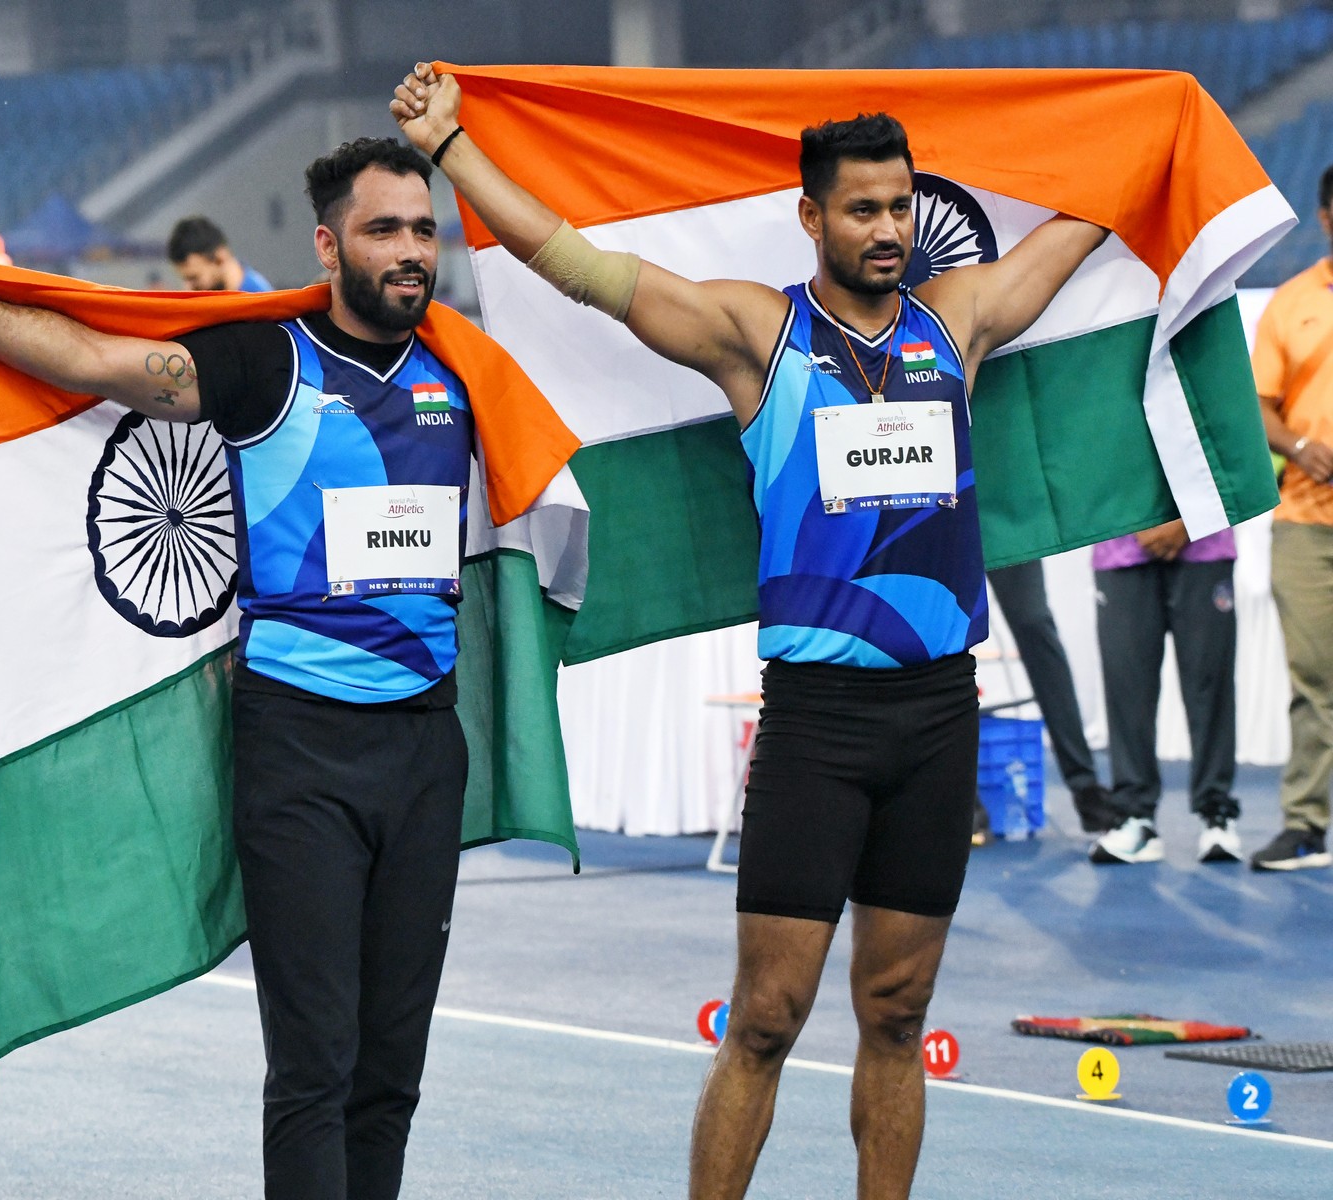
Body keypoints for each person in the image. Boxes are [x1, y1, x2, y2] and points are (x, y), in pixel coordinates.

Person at [392, 67, 1106, 1200]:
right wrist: (453, 152)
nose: (887, 228)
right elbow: (582, 269)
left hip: (936, 713)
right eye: (862, 209)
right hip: (817, 723)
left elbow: (1087, 216)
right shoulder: (756, 333)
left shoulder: (953, 320)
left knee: (898, 1011)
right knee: (766, 1017)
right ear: (811, 215)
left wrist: (1165, 127)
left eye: (900, 205)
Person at [0, 137, 473, 1199]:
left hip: (427, 747)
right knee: (316, 1065)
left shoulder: (470, 371)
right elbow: (97, 361)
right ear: (329, 246)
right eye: (384, 229)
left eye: (424, 228)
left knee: (392, 1073)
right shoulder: (263, 361)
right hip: (303, 752)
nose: (411, 251)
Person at [1248, 164, 1333, 872]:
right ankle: (1306, 823)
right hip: (1307, 525)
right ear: (1327, 219)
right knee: (1315, 677)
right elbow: (1261, 408)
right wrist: (1302, 446)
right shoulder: (1290, 302)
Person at [1086, 520, 1242, 864]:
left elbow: (1226, 465)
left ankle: (1217, 813)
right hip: (1121, 546)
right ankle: (1134, 815)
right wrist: (1138, 523)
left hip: (1205, 541)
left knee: (1210, 684)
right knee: (1127, 689)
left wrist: (1185, 523)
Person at [986, 560, 1114, 832]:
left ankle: (1085, 785)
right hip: (939, 522)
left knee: (1034, 624)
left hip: (1005, 521)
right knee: (944, 633)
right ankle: (959, 796)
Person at [167, 214, 273, 291]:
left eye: (194, 278)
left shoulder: (264, 309)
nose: (187, 288)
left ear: (219, 259)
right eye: (185, 280)